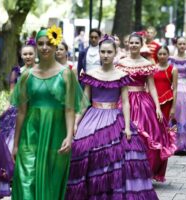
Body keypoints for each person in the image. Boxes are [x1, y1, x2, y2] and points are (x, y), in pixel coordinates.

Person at [66, 34, 158, 199]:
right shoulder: (91, 74)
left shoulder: (122, 76)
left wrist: (128, 127)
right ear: (99, 53)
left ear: (115, 53)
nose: (106, 55)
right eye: (103, 52)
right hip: (93, 117)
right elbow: (84, 102)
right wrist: (75, 123)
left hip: (115, 117)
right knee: (83, 150)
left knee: (119, 155)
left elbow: (126, 102)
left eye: (109, 52)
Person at [11, 25, 88, 200]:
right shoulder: (26, 76)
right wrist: (15, 144)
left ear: (55, 46)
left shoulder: (66, 74)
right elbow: (21, 112)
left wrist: (69, 136)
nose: (44, 47)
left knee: (51, 182)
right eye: (40, 43)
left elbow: (70, 108)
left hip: (56, 133)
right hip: (30, 135)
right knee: (25, 180)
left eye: (48, 43)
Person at [117, 33, 176, 182]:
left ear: (141, 44)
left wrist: (157, 106)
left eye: (137, 43)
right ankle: (125, 170)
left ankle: (143, 170)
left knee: (148, 137)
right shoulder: (121, 62)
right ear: (128, 44)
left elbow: (152, 86)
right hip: (124, 100)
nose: (134, 45)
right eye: (131, 43)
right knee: (122, 135)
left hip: (143, 102)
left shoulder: (147, 64)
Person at [0, 44, 37, 153]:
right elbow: (12, 90)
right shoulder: (17, 71)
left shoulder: (40, 71)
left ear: (35, 54)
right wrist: (7, 106)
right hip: (18, 108)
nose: (28, 56)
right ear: (21, 55)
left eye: (30, 54)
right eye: (25, 54)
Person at [153, 46, 178, 121]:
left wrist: (173, 107)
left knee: (165, 124)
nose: (162, 56)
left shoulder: (173, 69)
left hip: (167, 102)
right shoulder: (152, 69)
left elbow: (175, 89)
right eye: (160, 54)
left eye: (164, 54)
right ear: (157, 55)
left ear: (168, 55)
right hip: (153, 101)